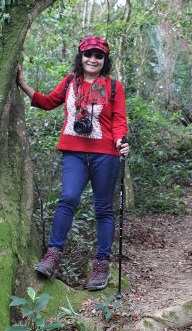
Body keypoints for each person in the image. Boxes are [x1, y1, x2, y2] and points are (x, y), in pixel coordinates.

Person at [16, 36, 129, 291]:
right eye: (88, 54)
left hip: (105, 154)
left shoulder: (113, 87)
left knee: (103, 209)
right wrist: (22, 83)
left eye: (98, 56)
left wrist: (121, 139)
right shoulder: (70, 82)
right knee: (68, 199)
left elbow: (120, 119)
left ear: (104, 60)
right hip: (73, 151)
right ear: (80, 57)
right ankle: (53, 254)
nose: (93, 59)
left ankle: (101, 264)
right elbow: (47, 102)